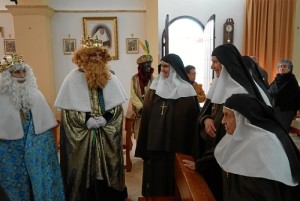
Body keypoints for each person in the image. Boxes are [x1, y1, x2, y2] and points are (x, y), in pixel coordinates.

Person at [182, 43, 271, 201]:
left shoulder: (242, 92)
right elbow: (205, 112)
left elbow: (237, 137)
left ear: (226, 63)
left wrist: (202, 164)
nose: (212, 66)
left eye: (215, 62)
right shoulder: (218, 84)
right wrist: (206, 119)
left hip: (227, 158)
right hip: (211, 150)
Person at [55, 36, 128, 201]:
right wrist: (85, 119)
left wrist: (106, 119)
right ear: (83, 57)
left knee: (108, 166)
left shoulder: (110, 77)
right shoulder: (72, 78)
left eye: (99, 55)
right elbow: (68, 112)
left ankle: (110, 194)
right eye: (92, 55)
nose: (97, 59)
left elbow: (117, 107)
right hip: (83, 136)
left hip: (105, 134)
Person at [0, 53, 65, 201]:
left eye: (24, 71)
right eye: (17, 72)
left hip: (37, 151)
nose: (22, 75)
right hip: (11, 152)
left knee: (38, 182)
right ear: (7, 76)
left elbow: (45, 129)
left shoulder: (36, 94)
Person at [135, 53, 200, 197]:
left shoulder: (187, 91)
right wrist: (144, 143)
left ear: (175, 68)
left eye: (166, 66)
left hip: (176, 146)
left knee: (174, 183)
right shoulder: (155, 87)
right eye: (161, 66)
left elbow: (191, 122)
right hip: (155, 146)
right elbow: (146, 117)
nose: (162, 69)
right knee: (155, 181)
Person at [215, 93, 300, 201]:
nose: (223, 121)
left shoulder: (264, 146)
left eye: (227, 115)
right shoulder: (241, 135)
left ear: (242, 118)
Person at [269, 59, 300, 133]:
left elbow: (297, 96)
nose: (282, 68)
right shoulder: (277, 79)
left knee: (282, 131)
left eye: (284, 66)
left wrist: (297, 111)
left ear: (289, 68)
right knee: (274, 130)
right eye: (280, 66)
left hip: (286, 111)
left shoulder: (292, 80)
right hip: (274, 108)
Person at [130, 54, 155, 139]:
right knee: (140, 136)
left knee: (151, 136)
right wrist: (141, 107)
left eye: (150, 63)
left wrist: (148, 106)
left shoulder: (154, 79)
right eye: (146, 63)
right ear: (141, 66)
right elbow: (133, 94)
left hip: (151, 112)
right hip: (139, 112)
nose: (149, 65)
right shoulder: (134, 79)